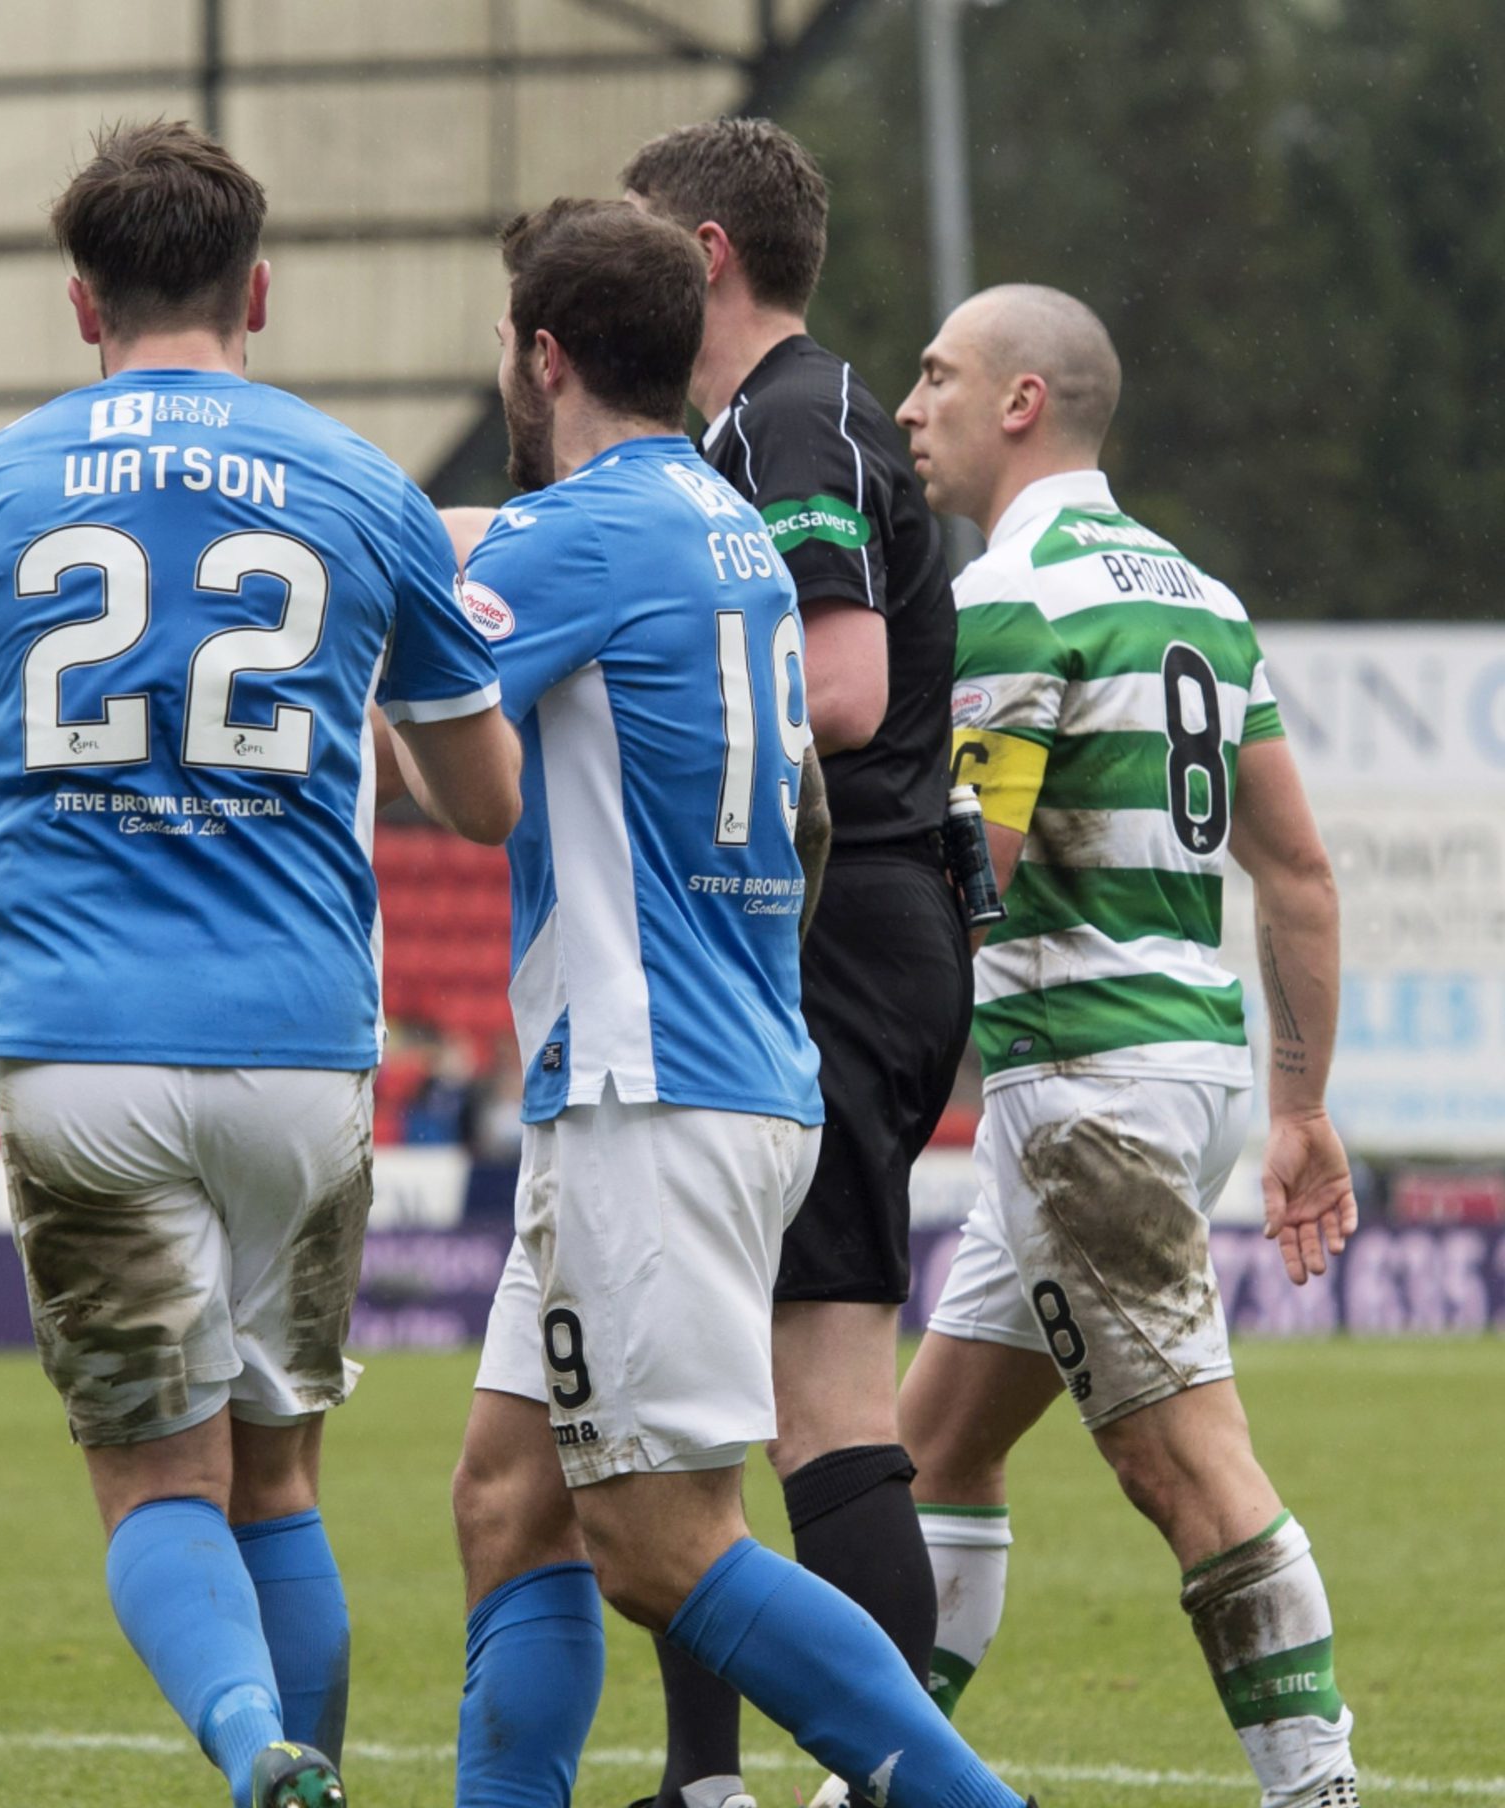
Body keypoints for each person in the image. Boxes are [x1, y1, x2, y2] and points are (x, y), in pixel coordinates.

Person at [0, 119, 520, 1808]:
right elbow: (489, 800)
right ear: (261, 292)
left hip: (80, 1036)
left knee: (157, 1488)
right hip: (300, 1039)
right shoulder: (364, 484)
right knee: (280, 1481)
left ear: (82, 305)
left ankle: (253, 1750)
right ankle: (302, 1765)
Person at [433, 196, 1029, 1808]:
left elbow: (437, 742)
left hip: (653, 1089)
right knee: (511, 1499)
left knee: (653, 1541)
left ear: (541, 353)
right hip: (708, 1065)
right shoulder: (716, 517)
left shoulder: (589, 532)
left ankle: (975, 1802)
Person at [894, 284, 1360, 1808]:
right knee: (930, 1455)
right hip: (1187, 1068)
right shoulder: (1203, 600)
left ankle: (1321, 1790)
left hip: (1084, 1088)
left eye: (938, 377)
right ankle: (881, 1773)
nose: (910, 407)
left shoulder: (1014, 596)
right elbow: (1293, 869)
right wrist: (1302, 1113)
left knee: (1190, 1468)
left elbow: (985, 870)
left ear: (1022, 402)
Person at [605, 118, 971, 1808]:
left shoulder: (795, 417)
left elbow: (834, 689)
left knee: (819, 1399)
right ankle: (708, 1785)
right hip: (851, 926)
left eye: (632, 252)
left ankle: (885, 1783)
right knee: (724, 1391)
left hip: (833, 925)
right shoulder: (755, 423)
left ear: (700, 256)